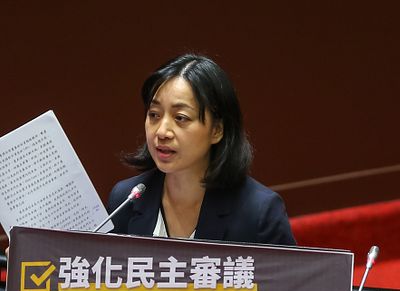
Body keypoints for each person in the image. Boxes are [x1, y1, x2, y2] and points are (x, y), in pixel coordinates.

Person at [108, 53, 296, 246]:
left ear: (217, 130)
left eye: (180, 118)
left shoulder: (259, 213)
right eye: (154, 115)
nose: (162, 132)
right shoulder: (125, 200)